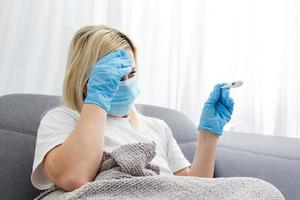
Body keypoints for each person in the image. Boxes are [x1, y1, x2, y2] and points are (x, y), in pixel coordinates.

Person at [31, 25, 234, 192]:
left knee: (256, 188)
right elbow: (74, 178)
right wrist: (98, 98)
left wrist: (208, 135)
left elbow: (195, 191)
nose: (127, 82)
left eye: (132, 73)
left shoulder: (158, 127)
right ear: (85, 80)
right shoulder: (62, 119)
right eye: (115, 77)